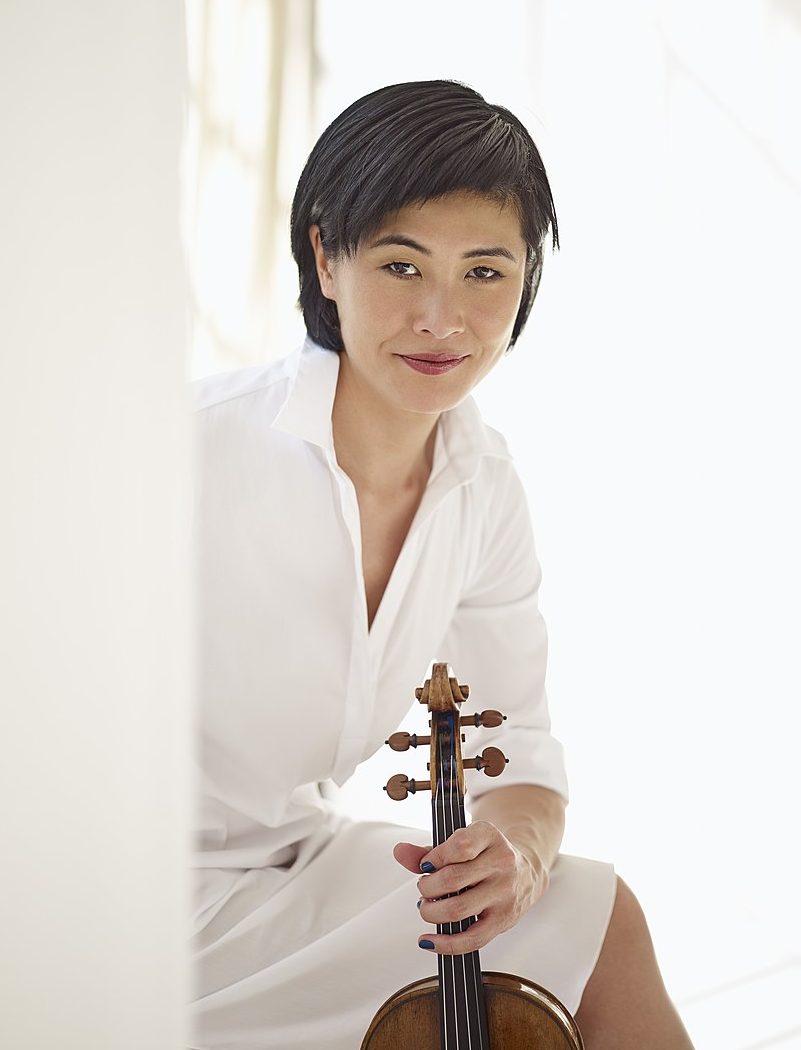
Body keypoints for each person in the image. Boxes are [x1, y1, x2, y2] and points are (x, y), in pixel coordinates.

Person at [189, 80, 694, 1050]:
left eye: (484, 272)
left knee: (598, 914)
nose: (442, 318)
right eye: (401, 264)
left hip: (295, 868)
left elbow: (525, 757)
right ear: (325, 258)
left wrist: (515, 855)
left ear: (526, 282)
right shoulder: (187, 449)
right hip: (118, 896)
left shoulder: (483, 487)